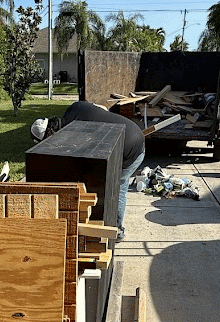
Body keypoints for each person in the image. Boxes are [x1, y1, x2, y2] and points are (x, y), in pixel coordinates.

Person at [30, 101, 145, 241]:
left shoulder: (71, 135)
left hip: (130, 148)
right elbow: (102, 108)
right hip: (133, 130)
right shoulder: (74, 108)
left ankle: (117, 229)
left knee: (118, 185)